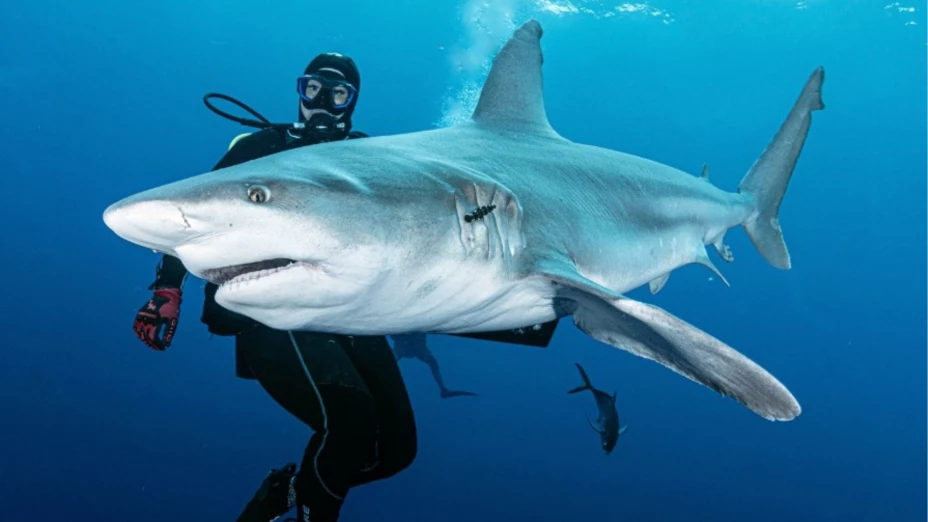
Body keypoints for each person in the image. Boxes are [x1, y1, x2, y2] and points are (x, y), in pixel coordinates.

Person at [131, 52, 562, 522]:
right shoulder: (259, 147)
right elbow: (191, 221)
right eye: (312, 89)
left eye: (338, 94)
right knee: (350, 425)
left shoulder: (367, 160)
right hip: (273, 310)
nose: (322, 104)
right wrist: (166, 291)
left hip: (353, 313)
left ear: (351, 103)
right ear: (299, 91)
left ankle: (289, 494)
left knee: (395, 451)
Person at [392, 333, 478, 399]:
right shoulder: (405, 347)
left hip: (410, 348)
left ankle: (443, 390)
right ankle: (443, 390)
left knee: (432, 363)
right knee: (432, 363)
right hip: (408, 348)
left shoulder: (414, 348)